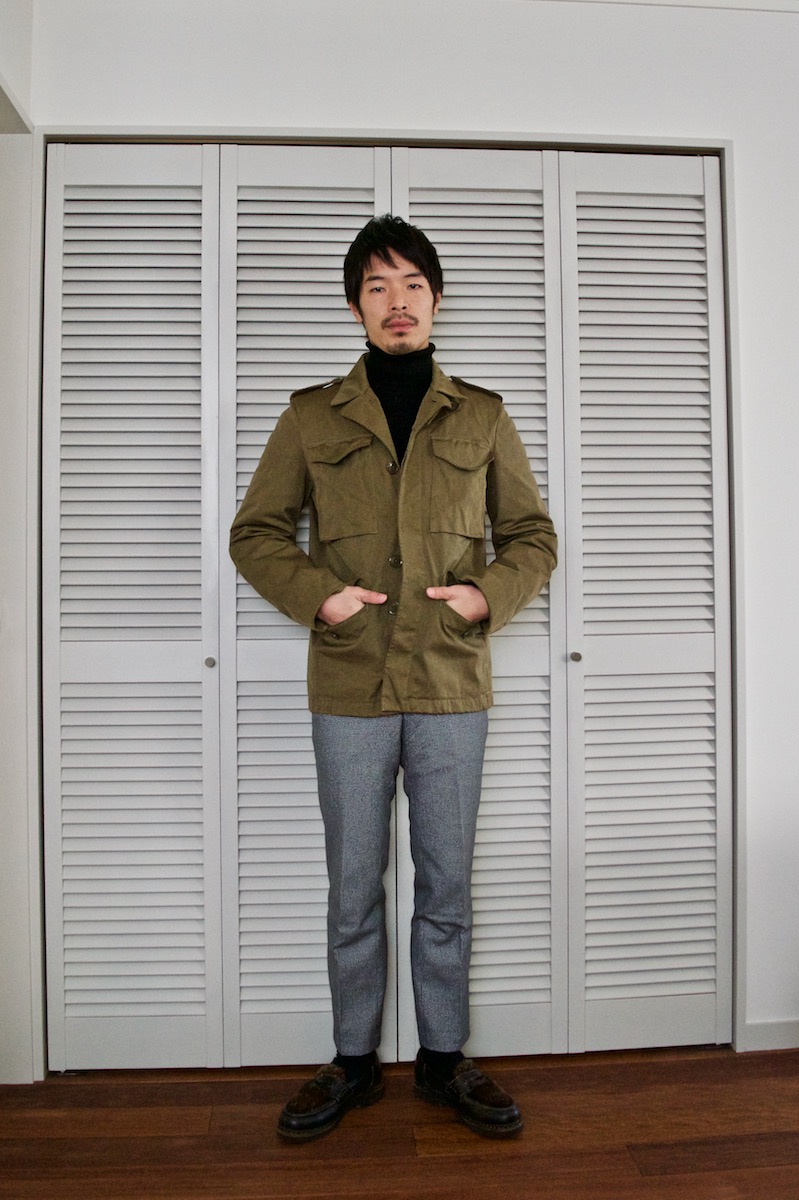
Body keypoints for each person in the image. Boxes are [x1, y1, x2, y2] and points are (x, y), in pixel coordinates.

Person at [230, 214, 557, 1142]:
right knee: (352, 884)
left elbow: (533, 537)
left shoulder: (482, 415)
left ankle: (446, 1060)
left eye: (412, 283)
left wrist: (483, 597)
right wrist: (323, 600)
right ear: (356, 307)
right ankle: (355, 1061)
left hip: (450, 683)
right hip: (351, 685)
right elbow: (255, 533)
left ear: (436, 298)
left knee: (446, 883)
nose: (397, 301)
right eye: (377, 287)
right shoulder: (311, 415)